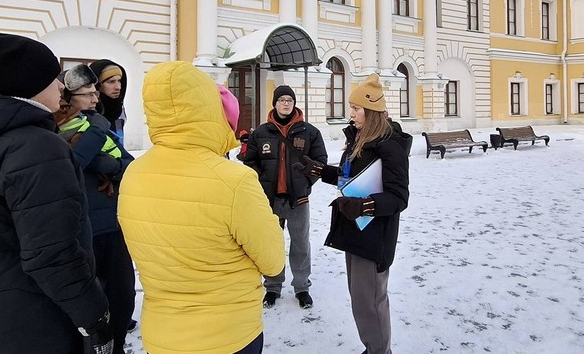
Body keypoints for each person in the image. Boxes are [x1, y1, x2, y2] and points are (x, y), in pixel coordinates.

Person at [0, 33, 112, 354]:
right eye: (52, 78)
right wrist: (94, 315)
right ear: (30, 83)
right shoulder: (36, 146)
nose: (61, 87)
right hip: (34, 314)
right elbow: (51, 252)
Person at [118, 61, 285, 354]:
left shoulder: (133, 174)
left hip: (162, 335)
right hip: (229, 335)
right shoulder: (234, 180)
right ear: (208, 110)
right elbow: (273, 262)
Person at [299, 73, 412, 354]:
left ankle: (378, 351)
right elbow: (351, 177)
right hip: (354, 227)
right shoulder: (359, 138)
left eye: (356, 108)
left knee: (370, 301)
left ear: (371, 112)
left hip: (374, 235)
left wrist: (365, 206)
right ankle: (372, 347)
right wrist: (320, 170)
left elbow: (399, 197)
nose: (351, 113)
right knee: (360, 299)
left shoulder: (390, 146)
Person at [54, 65, 136, 354]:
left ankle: (118, 348)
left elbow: (128, 164)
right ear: (68, 96)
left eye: (93, 92)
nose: (93, 98)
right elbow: (69, 165)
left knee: (122, 298)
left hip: (112, 226)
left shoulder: (98, 123)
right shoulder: (53, 128)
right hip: (81, 228)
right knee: (90, 306)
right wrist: (95, 142)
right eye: (86, 94)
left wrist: (112, 166)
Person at [242, 85, 328, 309]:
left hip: (298, 200)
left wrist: (306, 182)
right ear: (275, 103)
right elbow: (250, 162)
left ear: (294, 103)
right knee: (272, 244)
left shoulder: (309, 132)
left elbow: (320, 161)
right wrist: (262, 183)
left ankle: (301, 287)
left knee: (300, 244)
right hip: (270, 201)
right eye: (282, 100)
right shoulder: (260, 133)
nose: (286, 104)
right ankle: (272, 286)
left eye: (290, 100)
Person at [89, 60, 128, 146]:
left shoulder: (119, 109)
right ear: (98, 85)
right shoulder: (88, 112)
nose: (118, 87)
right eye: (111, 82)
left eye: (119, 81)